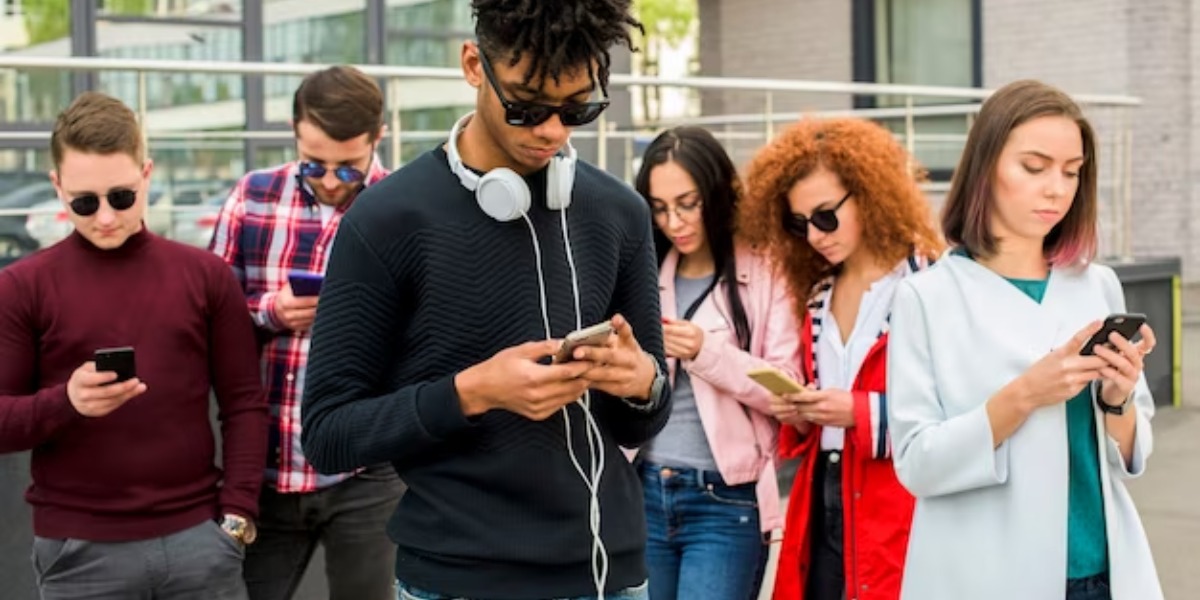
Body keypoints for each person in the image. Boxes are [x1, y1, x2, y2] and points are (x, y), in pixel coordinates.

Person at [298, 2, 671, 600]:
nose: (552, 131)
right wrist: (470, 393)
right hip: (455, 583)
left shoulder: (620, 213)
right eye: (526, 106)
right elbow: (327, 433)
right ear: (474, 65)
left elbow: (645, 416)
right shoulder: (387, 219)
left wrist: (641, 380)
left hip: (614, 578)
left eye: (578, 109)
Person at [887, 79, 1163, 600]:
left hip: (1103, 569)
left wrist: (1118, 399)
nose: (1057, 188)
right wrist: (1024, 395)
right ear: (986, 166)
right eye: (1034, 168)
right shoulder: (926, 298)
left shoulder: (1096, 283)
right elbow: (917, 462)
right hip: (986, 575)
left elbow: (1131, 452)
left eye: (1072, 172)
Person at [0, 91, 268, 599]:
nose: (104, 217)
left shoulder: (205, 276)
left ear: (147, 175)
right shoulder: (22, 286)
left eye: (121, 196)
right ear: (56, 186)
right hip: (78, 552)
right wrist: (66, 402)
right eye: (84, 202)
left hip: (200, 543)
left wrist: (237, 517)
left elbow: (244, 403)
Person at [208, 65, 404, 600]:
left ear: (378, 138)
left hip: (368, 467)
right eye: (314, 162)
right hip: (265, 469)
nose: (329, 178)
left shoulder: (406, 206)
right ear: (294, 132)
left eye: (348, 168)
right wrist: (272, 311)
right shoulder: (252, 197)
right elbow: (206, 320)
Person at [737, 117, 944, 600]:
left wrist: (859, 411)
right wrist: (801, 413)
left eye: (826, 216)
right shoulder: (818, 296)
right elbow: (820, 414)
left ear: (870, 194)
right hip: (821, 495)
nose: (814, 235)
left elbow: (964, 409)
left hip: (899, 499)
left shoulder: (933, 285)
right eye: (798, 223)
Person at [632, 126, 800, 600]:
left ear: (717, 194)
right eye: (661, 208)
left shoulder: (766, 272)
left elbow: (789, 388)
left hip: (726, 500)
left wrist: (706, 351)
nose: (674, 221)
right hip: (645, 489)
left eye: (688, 203)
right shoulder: (646, 270)